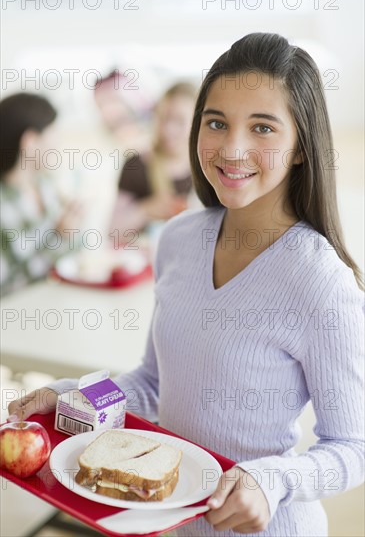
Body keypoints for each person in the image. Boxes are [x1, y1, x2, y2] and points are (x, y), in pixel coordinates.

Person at [8, 33, 364, 537]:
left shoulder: (321, 280)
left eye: (262, 127)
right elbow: (153, 386)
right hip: (172, 524)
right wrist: (70, 397)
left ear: (302, 146)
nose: (232, 148)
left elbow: (352, 447)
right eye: (216, 122)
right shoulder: (178, 239)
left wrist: (271, 480)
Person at [0, 93, 82, 296]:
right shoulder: (4, 205)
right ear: (30, 141)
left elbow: (73, 256)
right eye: (53, 134)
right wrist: (59, 238)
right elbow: (6, 287)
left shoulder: (46, 186)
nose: (58, 144)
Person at [110, 82, 197, 235]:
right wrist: (146, 209)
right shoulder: (136, 165)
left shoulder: (207, 169)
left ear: (197, 123)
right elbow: (113, 232)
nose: (168, 129)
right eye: (163, 118)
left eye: (179, 121)